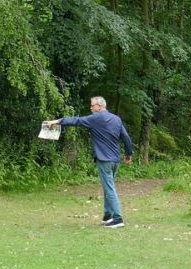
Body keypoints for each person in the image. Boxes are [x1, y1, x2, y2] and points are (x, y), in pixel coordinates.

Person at [44, 97, 134, 228]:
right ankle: (108, 215)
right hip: (115, 160)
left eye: (92, 106)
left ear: (99, 106)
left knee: (109, 188)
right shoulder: (116, 119)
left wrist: (57, 121)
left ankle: (118, 218)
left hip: (104, 159)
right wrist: (128, 153)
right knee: (108, 187)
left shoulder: (95, 119)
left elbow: (76, 121)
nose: (91, 108)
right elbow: (126, 137)